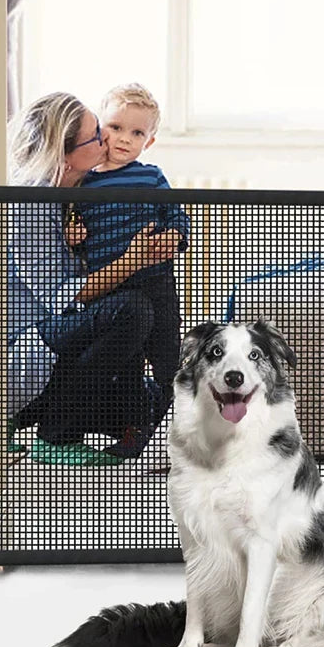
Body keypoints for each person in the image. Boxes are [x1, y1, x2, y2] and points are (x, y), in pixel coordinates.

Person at [7, 92, 170, 466]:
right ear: (66, 157)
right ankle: (53, 435)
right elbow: (63, 297)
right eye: (98, 134)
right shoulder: (31, 199)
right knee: (132, 309)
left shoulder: (77, 194)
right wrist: (132, 261)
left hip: (60, 339)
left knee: (149, 403)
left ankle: (34, 420)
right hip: (30, 352)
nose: (108, 141)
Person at [65, 83, 190, 458]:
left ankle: (185, 434)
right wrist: (75, 236)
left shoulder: (151, 177)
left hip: (155, 283)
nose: (123, 139)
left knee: (169, 360)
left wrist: (174, 236)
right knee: (128, 365)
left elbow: (178, 218)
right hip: (114, 291)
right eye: (116, 127)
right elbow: (77, 236)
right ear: (100, 127)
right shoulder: (84, 182)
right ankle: (135, 432)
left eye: (137, 133)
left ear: (148, 142)